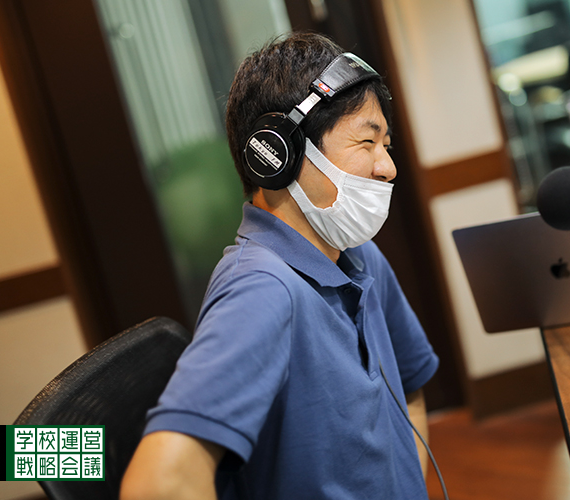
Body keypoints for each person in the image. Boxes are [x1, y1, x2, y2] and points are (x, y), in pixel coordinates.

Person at [120, 32, 439, 500]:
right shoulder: (261, 289)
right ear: (279, 153)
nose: (387, 166)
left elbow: (410, 390)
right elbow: (160, 484)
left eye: (386, 145)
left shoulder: (359, 254)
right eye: (367, 141)